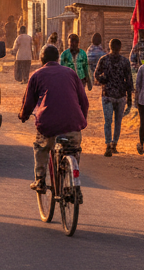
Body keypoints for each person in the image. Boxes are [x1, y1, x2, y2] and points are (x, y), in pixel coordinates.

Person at [18, 44, 88, 194]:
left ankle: (40, 180)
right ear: (58, 58)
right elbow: (84, 101)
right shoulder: (71, 73)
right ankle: (73, 183)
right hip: (73, 125)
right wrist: (82, 121)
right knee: (74, 151)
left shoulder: (36, 75)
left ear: (41, 59)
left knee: (41, 147)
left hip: (48, 126)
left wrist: (23, 116)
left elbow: (28, 103)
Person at [94, 38, 134, 156]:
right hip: (120, 95)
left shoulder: (104, 60)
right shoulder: (124, 61)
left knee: (108, 121)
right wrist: (130, 99)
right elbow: (129, 81)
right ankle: (114, 144)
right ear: (120, 48)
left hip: (107, 94)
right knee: (117, 122)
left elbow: (96, 74)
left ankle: (108, 144)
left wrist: (103, 81)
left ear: (109, 47)